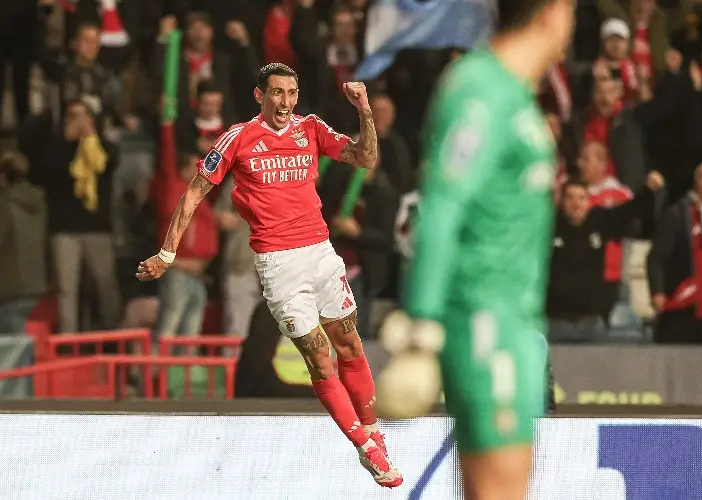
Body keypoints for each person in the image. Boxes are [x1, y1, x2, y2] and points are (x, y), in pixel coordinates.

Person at [136, 62, 402, 488]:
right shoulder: (237, 138)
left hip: (320, 254)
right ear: (260, 96)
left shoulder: (311, 128)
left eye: (292, 93)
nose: (285, 102)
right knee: (318, 355)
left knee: (350, 343)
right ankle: (363, 446)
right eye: (277, 93)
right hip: (278, 265)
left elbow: (366, 157)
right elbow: (194, 193)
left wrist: (364, 109)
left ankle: (373, 431)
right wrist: (168, 253)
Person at [376, 0, 576, 499]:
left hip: (515, 322)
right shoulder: (481, 88)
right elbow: (441, 207)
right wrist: (421, 330)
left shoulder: (512, 92)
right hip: (485, 321)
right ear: (554, 12)